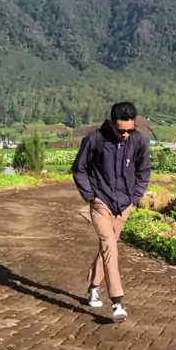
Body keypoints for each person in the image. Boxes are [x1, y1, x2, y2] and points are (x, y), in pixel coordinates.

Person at [71, 102, 151, 321]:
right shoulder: (95, 139)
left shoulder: (139, 140)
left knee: (108, 247)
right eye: (121, 130)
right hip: (101, 203)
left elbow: (144, 172)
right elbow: (79, 169)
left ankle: (93, 287)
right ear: (112, 124)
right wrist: (91, 196)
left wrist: (134, 199)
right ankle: (117, 302)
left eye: (129, 130)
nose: (125, 135)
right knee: (109, 245)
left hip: (124, 205)